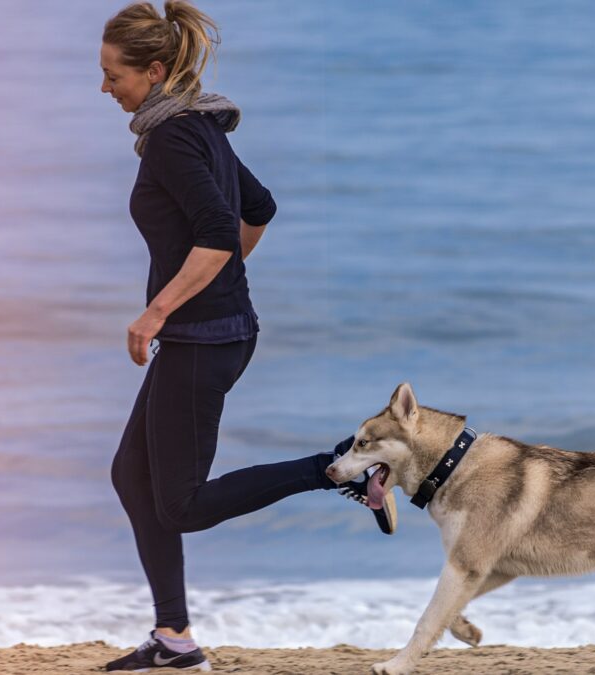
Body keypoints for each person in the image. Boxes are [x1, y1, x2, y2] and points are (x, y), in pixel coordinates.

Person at [100, 2, 395, 671]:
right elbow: (257, 209)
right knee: (132, 475)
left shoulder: (175, 137)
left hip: (204, 338)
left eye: (113, 74)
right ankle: (174, 638)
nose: (105, 86)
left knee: (181, 505)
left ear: (152, 71)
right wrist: (221, 280)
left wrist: (157, 311)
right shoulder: (196, 124)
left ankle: (340, 467)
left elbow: (216, 233)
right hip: (214, 331)